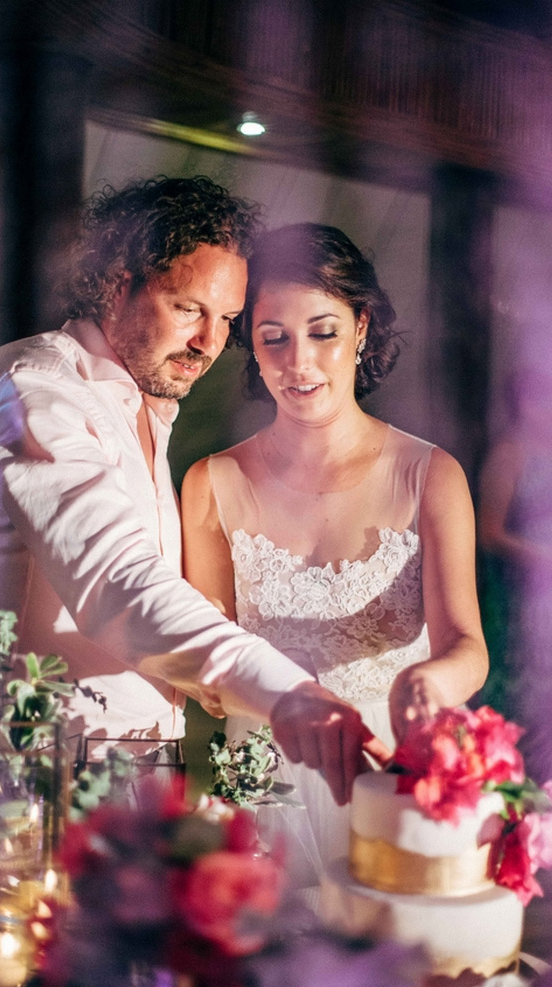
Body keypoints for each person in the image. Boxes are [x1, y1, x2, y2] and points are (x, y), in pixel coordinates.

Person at [0, 177, 385, 806]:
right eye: (188, 309)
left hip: (135, 781)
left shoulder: (147, 409)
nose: (209, 344)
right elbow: (116, 583)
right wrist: (285, 692)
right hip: (35, 785)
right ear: (118, 283)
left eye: (227, 319)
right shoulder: (35, 391)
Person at [181, 222, 488, 873]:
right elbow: (209, 668)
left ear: (362, 327)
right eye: (275, 338)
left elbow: (468, 646)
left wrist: (431, 680)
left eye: (323, 331)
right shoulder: (212, 483)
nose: (299, 362)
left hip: (389, 777)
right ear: (252, 346)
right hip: (266, 788)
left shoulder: (431, 476)